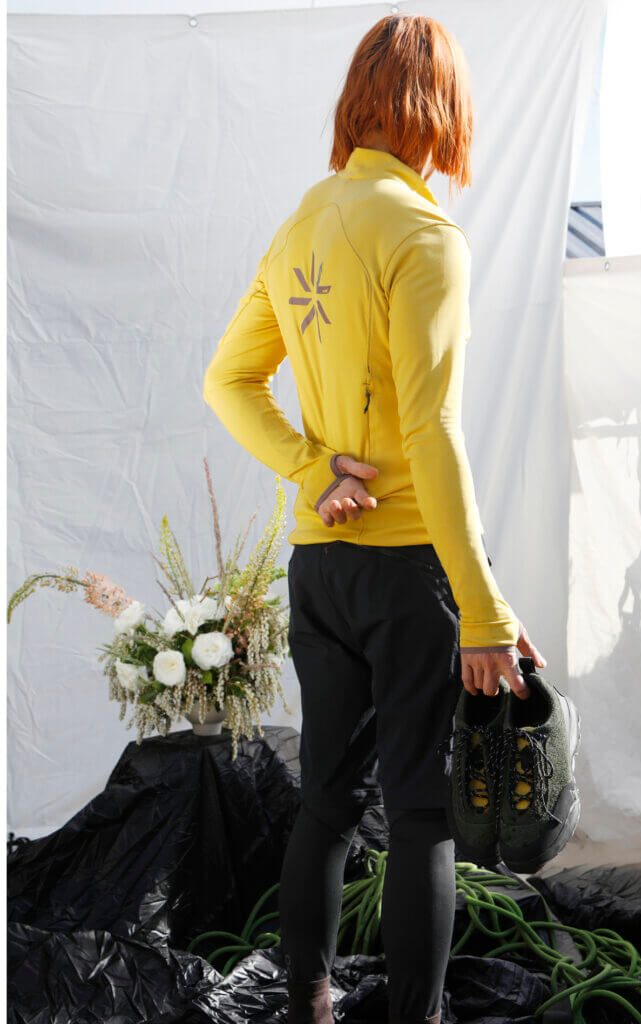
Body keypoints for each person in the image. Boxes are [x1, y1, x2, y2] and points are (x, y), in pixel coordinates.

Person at [203, 13, 546, 1024]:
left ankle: (307, 1001)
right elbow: (430, 433)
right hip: (407, 575)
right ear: (441, 109)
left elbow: (226, 383)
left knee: (326, 800)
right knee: (421, 814)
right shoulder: (424, 236)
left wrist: (313, 471)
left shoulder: (299, 226)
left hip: (320, 570)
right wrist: (482, 612)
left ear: (358, 102)